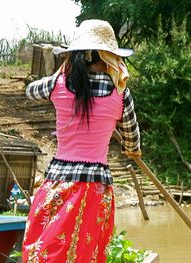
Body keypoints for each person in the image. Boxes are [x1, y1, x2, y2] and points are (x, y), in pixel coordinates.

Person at [22, 19, 141, 263]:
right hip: (93, 187)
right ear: (110, 57)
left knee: (46, 250)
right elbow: (132, 137)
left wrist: (61, 73)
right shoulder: (120, 92)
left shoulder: (57, 84)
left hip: (56, 182)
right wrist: (133, 150)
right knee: (85, 254)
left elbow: (30, 90)